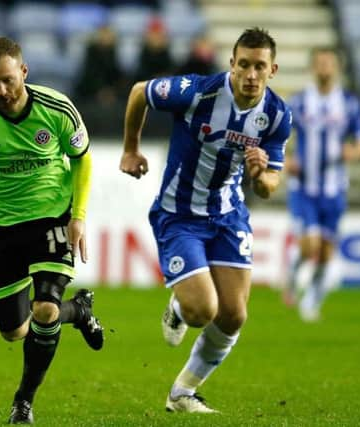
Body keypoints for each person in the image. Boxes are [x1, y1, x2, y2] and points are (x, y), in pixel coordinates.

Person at [119, 27, 291, 413]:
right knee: (202, 311)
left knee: (234, 315)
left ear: (272, 69)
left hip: (229, 216)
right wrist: (131, 149)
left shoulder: (278, 115)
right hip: (179, 214)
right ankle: (179, 308)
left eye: (259, 66)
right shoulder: (198, 91)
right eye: (243, 64)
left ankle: (182, 393)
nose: (250, 74)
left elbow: (268, 186)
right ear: (231, 63)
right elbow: (138, 92)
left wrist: (261, 174)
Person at [0, 36, 104, 425]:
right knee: (15, 331)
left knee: (44, 308)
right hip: (0, 227)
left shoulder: (56, 108)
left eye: (7, 80)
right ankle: (79, 311)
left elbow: (82, 160)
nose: (1, 90)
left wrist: (78, 215)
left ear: (24, 72)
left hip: (52, 218)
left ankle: (23, 401)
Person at [283, 47, 360, 321]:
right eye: (319, 63)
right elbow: (275, 134)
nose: (324, 68)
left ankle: (312, 300)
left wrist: (353, 152)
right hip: (304, 187)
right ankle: (294, 274)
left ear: (337, 68)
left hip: (334, 188)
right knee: (310, 246)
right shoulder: (299, 102)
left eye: (328, 63)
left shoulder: (349, 103)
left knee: (326, 252)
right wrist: (286, 161)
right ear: (312, 68)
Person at [74, 25, 127, 106]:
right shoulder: (91, 52)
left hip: (112, 92)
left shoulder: (113, 52)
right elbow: (89, 75)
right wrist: (101, 91)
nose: (105, 38)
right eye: (103, 35)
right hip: (90, 92)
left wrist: (111, 90)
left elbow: (115, 74)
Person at [133, 16, 175, 82]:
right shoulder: (143, 55)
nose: (155, 38)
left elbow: (171, 75)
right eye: (153, 34)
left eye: (158, 34)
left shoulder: (167, 56)